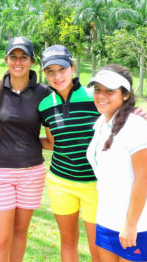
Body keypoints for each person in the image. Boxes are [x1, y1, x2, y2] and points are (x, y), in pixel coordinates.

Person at [86, 65, 147, 262]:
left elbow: (143, 178)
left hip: (137, 223)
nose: (101, 95)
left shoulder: (137, 126)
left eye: (109, 91)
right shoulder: (100, 124)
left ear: (125, 95)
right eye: (98, 89)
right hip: (106, 217)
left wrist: (130, 226)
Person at [0, 36, 52, 262]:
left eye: (24, 57)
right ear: (6, 60)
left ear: (32, 61)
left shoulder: (44, 93)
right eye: (13, 57)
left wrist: (127, 111)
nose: (18, 62)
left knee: (20, 233)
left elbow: (52, 140)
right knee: (1, 238)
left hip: (32, 173)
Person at [38, 45, 102, 262]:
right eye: (50, 71)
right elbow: (53, 143)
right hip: (61, 182)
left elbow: (122, 115)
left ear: (73, 68)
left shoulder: (95, 97)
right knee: (68, 241)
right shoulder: (45, 105)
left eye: (62, 69)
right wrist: (22, 141)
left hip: (95, 184)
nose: (57, 76)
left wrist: (137, 113)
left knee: (98, 246)